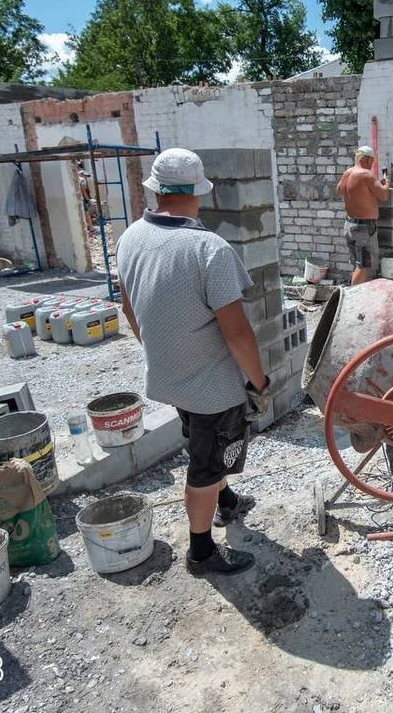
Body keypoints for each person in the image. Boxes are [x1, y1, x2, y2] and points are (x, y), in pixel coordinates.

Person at [116, 147, 272, 576]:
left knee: (205, 443)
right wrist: (259, 382)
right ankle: (201, 551)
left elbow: (129, 309)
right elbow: (237, 332)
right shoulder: (208, 249)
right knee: (204, 463)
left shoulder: (130, 238)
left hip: (168, 375)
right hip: (210, 387)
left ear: (157, 190)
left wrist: (161, 350)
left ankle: (227, 500)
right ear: (199, 192)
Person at [335, 145, 389, 285]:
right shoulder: (366, 175)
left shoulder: (347, 173)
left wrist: (361, 193)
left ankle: (357, 291)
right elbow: (383, 195)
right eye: (372, 161)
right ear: (366, 159)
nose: (372, 165)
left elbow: (339, 190)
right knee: (364, 265)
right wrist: (386, 184)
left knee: (357, 264)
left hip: (350, 226)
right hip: (363, 230)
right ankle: (353, 298)